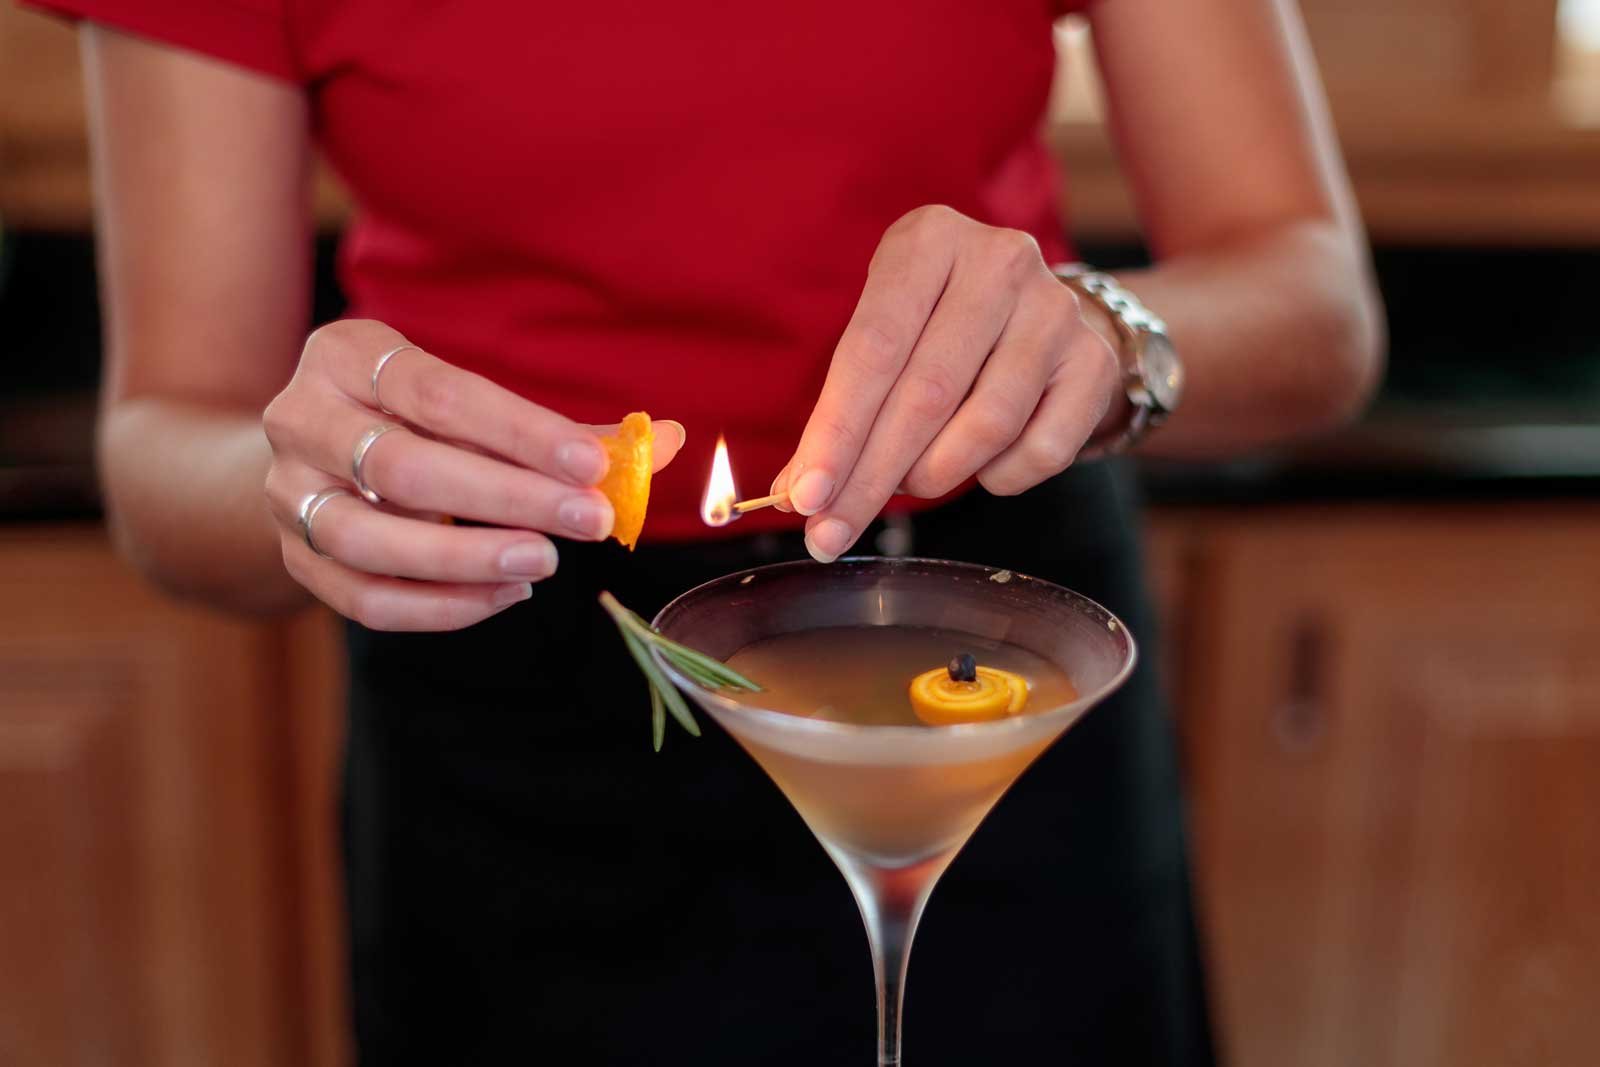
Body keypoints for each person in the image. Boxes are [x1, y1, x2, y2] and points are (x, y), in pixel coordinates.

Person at [38, 0, 1382, 1062]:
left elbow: (1318, 312)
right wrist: (317, 496)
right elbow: (168, 442)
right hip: (513, 712)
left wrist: (1101, 337)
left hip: (988, 658)